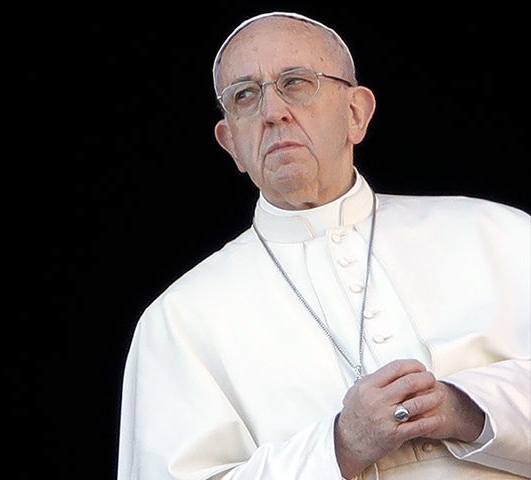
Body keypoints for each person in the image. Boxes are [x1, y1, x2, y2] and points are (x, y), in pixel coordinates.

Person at [117, 11, 531, 480]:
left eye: (296, 82)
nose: (272, 112)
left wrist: (467, 409)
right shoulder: (177, 320)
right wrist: (340, 445)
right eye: (245, 95)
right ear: (230, 143)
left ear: (356, 113)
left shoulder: (498, 233)